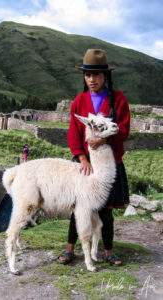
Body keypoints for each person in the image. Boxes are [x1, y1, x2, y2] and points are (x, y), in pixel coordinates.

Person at [57, 49, 130, 267]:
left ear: (105, 76)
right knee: (79, 206)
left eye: (96, 74)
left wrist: (104, 141)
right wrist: (82, 158)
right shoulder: (79, 102)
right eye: (88, 75)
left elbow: (123, 130)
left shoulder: (118, 100)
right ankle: (70, 249)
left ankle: (108, 251)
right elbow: (73, 133)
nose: (91, 79)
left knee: (106, 210)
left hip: (108, 163)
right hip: (84, 164)